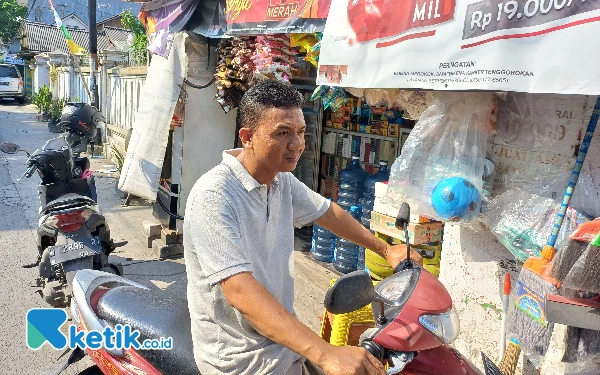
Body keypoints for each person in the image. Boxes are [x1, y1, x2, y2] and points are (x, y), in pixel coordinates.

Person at [184, 80, 422, 375]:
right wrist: (325, 353)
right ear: (247, 137)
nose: (296, 144)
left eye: (300, 132)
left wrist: (385, 249)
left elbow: (327, 212)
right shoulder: (216, 194)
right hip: (241, 360)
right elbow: (239, 291)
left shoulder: (279, 179)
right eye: (282, 133)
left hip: (282, 343)